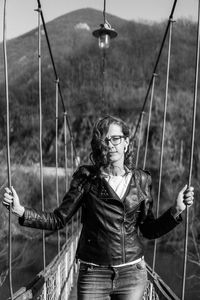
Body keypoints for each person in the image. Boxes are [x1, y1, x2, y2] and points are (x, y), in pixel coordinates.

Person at [3, 115, 194, 300]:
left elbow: (148, 229)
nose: (111, 144)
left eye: (116, 139)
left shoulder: (142, 180)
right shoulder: (87, 178)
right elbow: (59, 219)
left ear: (126, 143)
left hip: (132, 273)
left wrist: (176, 210)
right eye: (105, 140)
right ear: (99, 146)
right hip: (93, 274)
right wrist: (21, 211)